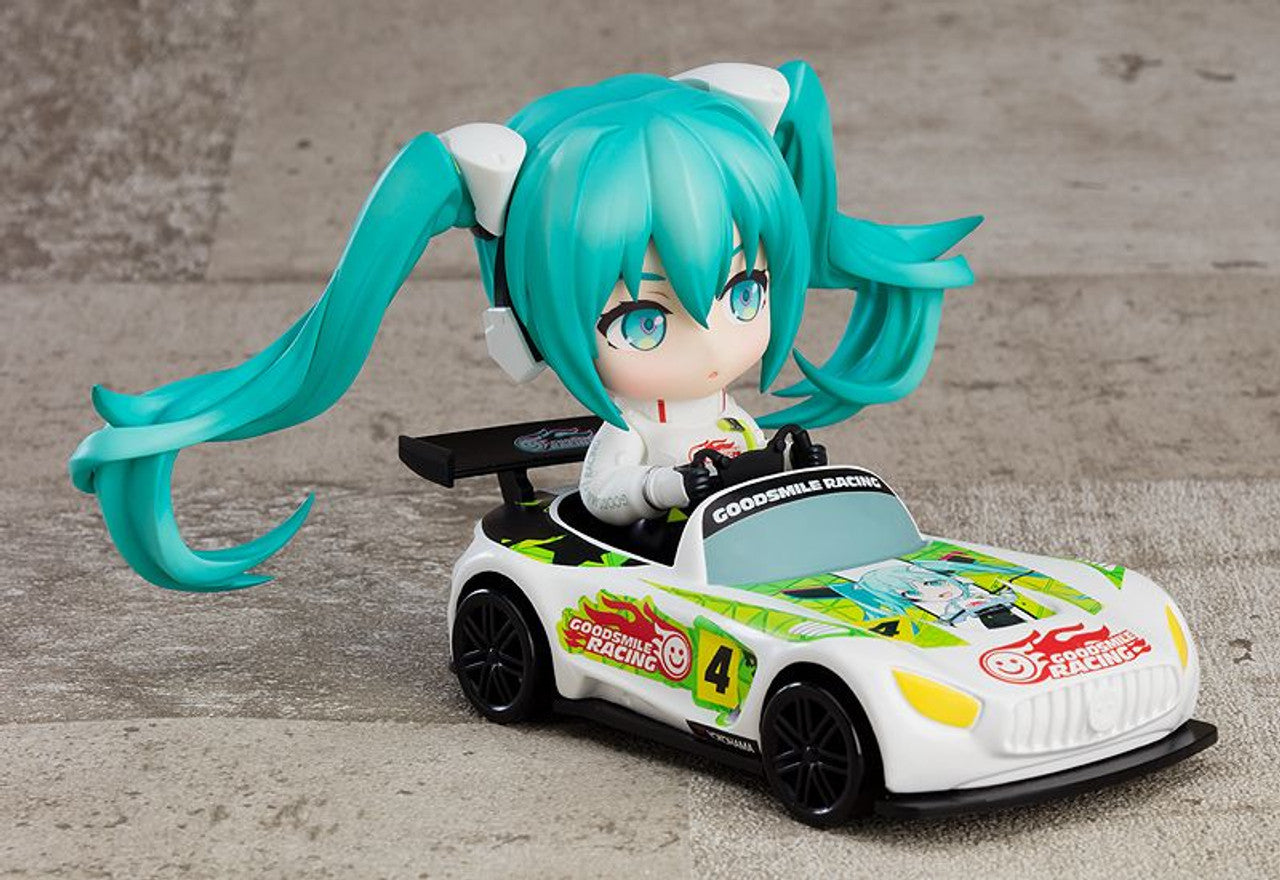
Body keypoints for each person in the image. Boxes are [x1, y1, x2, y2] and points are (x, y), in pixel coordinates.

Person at [69, 60, 980, 591]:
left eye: (746, 294)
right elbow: (607, 499)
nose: (713, 345)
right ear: (531, 321)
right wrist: (667, 486)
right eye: (642, 319)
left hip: (757, 559)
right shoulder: (627, 437)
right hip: (663, 571)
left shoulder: (730, 414)